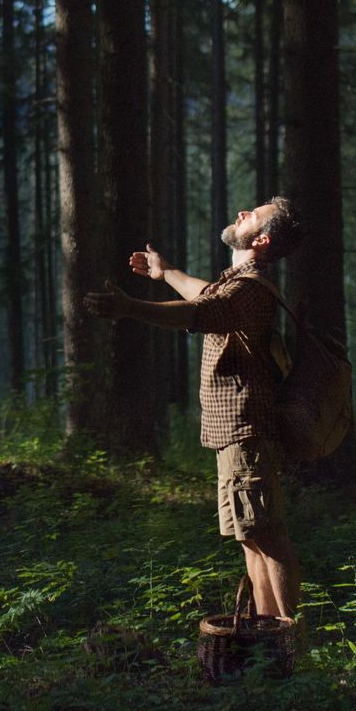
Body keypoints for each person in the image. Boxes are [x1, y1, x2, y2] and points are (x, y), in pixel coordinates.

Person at [83, 199, 303, 621]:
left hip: (246, 431)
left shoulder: (251, 289)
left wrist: (131, 308)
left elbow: (198, 312)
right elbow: (203, 294)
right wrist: (164, 273)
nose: (241, 213)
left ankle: (290, 638)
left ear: (261, 239)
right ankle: (265, 635)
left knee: (268, 537)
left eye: (252, 216)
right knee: (251, 536)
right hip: (234, 434)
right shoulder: (237, 284)